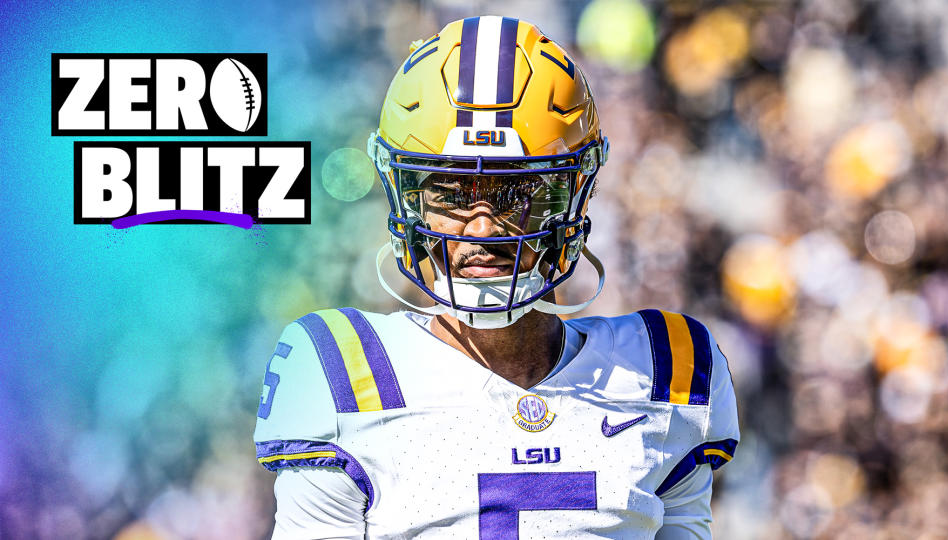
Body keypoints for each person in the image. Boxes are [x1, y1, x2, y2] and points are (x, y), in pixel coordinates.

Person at [254, 16, 739, 540]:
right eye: (451, 193)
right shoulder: (342, 372)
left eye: (514, 194)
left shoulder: (668, 370)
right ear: (406, 194)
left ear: (575, 192)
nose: (482, 230)